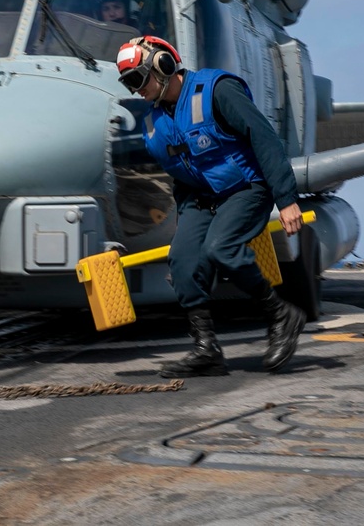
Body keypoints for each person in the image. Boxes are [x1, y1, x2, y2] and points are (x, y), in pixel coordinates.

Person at [115, 36, 306, 377]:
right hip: (200, 198)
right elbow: (179, 173)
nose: (136, 90)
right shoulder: (152, 123)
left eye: (138, 79)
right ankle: (207, 348)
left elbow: (264, 138)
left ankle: (281, 314)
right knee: (183, 262)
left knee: (222, 248)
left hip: (246, 188)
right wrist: (187, 222)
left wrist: (286, 198)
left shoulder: (216, 90)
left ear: (163, 65)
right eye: (129, 83)